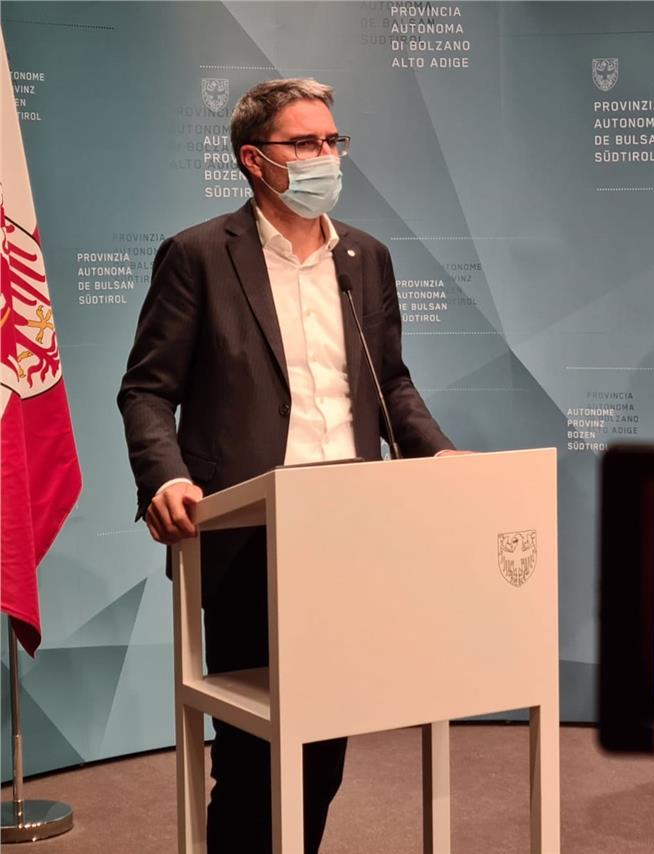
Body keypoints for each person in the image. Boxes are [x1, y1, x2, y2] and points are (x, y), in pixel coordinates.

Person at [118, 78, 458, 853]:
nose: (325, 156)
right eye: (305, 143)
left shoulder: (365, 256)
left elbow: (390, 383)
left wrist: (440, 456)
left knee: (322, 749)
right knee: (253, 758)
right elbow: (147, 389)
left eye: (333, 141)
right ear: (254, 159)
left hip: (352, 534)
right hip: (249, 535)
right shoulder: (199, 256)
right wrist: (165, 476)